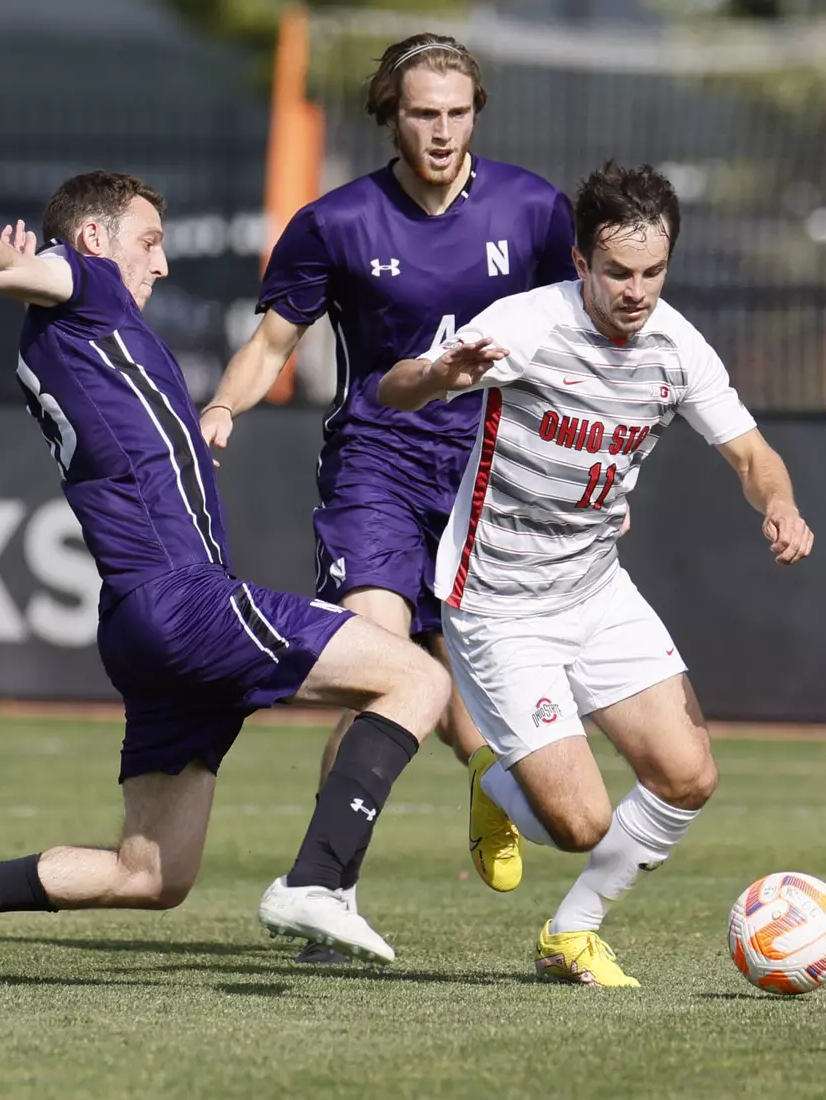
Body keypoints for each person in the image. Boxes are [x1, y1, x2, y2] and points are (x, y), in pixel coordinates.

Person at [0, 167, 450, 985]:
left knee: (151, 874)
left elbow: (9, 276)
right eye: (150, 242)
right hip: (183, 600)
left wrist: (206, 424)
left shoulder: (73, 325)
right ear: (94, 241)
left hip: (139, 620)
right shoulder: (88, 288)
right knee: (415, 679)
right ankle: (319, 881)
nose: (162, 264)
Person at [377, 161, 815, 987]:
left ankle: (570, 935)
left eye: (653, 272)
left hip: (595, 589)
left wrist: (779, 505)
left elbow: (752, 454)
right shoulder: (528, 324)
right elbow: (393, 390)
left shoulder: (677, 347)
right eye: (617, 272)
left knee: (688, 776)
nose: (637, 290)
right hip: (500, 603)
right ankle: (489, 775)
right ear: (580, 262)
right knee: (577, 823)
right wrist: (442, 373)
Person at [204, 32, 575, 960]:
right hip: (376, 466)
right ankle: (330, 886)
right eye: (423, 113)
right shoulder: (335, 224)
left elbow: (574, 345)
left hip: (490, 478)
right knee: (379, 663)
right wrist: (221, 403)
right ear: (390, 114)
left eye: (456, 113)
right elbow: (270, 348)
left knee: (437, 683)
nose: (442, 132)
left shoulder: (534, 211)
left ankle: (406, 823)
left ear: (475, 112)